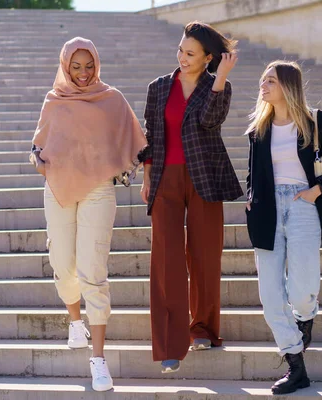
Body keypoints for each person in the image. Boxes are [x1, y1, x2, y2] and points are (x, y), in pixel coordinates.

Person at [29, 37, 146, 392]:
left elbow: (135, 140)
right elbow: (40, 144)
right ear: (66, 66)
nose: (83, 73)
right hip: (59, 189)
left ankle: (98, 359)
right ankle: (75, 320)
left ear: (97, 64)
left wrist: (126, 163)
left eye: (89, 65)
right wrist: (39, 159)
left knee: (93, 271)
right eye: (76, 66)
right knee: (63, 264)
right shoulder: (54, 100)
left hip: (99, 189)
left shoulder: (111, 99)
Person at [137, 21, 244, 374]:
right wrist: (148, 175)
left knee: (205, 255)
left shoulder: (218, 86)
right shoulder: (158, 88)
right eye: (180, 50)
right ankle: (170, 344)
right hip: (166, 177)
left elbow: (209, 122)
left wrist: (221, 77)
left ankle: (204, 329)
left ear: (208, 58)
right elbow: (152, 132)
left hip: (205, 176)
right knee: (166, 258)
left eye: (190, 53)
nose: (182, 57)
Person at [244, 60, 322, 395]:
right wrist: (251, 196)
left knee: (302, 289)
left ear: (287, 85)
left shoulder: (318, 122)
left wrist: (317, 191)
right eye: (263, 79)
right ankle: (295, 365)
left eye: (270, 80)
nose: (263, 84)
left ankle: (305, 318)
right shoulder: (258, 130)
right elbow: (253, 174)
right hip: (267, 211)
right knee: (270, 296)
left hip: (304, 205)